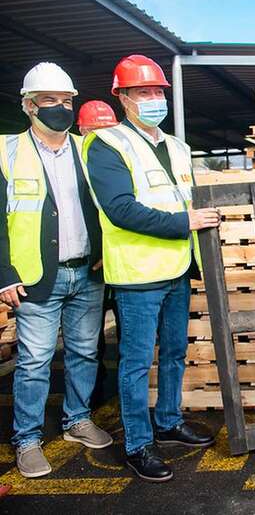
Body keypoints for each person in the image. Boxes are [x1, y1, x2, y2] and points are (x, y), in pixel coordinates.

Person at [82, 55, 220, 482]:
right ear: (122, 97)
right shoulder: (106, 144)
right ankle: (138, 444)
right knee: (137, 363)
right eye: (144, 92)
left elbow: (187, 198)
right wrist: (185, 223)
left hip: (177, 268)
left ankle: (168, 421)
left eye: (158, 91)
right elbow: (121, 209)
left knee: (175, 353)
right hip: (138, 274)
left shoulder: (177, 146)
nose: (154, 98)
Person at [0, 63, 111, 479]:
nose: (60, 108)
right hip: (34, 277)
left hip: (87, 270)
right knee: (35, 361)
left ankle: (77, 420)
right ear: (29, 105)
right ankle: (27, 439)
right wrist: (4, 273)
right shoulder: (6, 151)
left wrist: (103, 251)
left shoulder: (88, 149)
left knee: (85, 351)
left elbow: (105, 206)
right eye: (50, 101)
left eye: (67, 101)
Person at [76, 100, 120, 407]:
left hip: (121, 258)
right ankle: (92, 394)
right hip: (90, 264)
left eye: (107, 131)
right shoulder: (76, 166)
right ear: (81, 131)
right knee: (89, 339)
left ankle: (123, 393)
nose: (100, 137)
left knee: (128, 333)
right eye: (93, 131)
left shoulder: (117, 161)